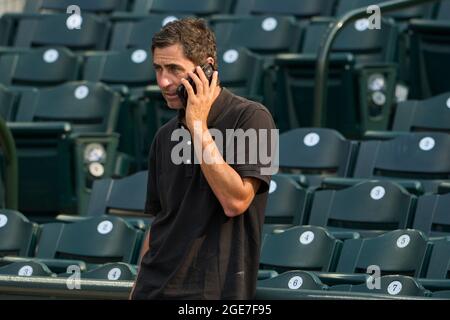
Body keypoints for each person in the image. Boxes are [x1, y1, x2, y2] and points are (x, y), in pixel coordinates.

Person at [130, 18, 276, 300]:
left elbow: (236, 201)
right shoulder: (164, 135)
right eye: (158, 69)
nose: (164, 81)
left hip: (213, 292)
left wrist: (197, 125)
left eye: (174, 69)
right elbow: (162, 220)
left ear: (207, 67)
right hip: (154, 289)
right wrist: (137, 290)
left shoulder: (252, 117)